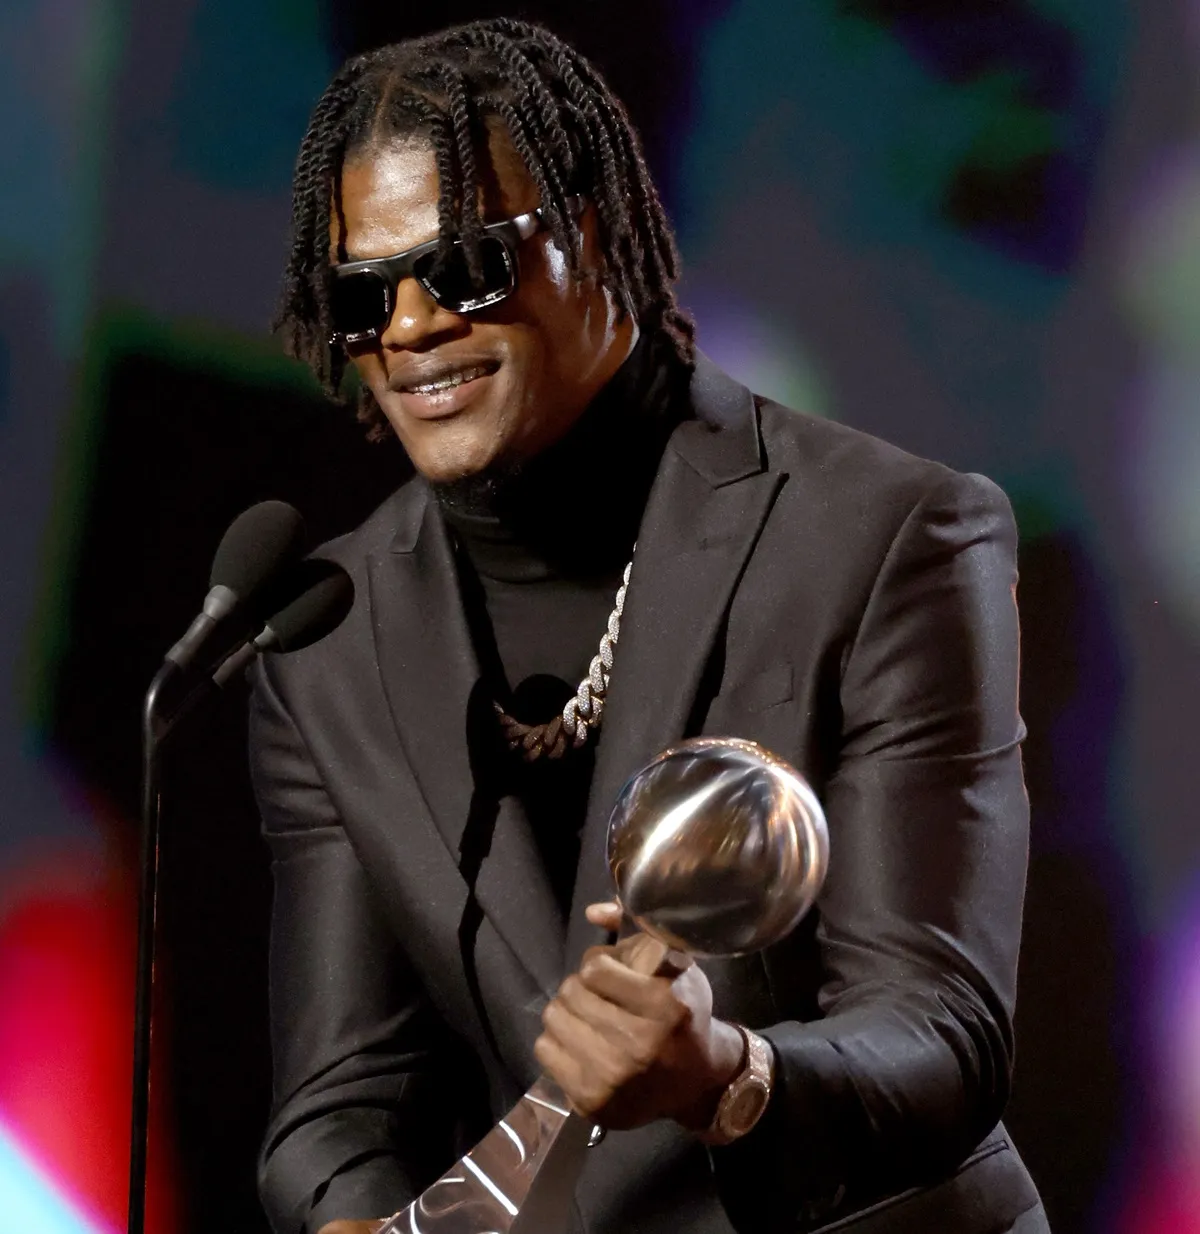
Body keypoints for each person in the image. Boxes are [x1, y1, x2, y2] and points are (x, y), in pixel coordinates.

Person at [250, 18, 1048, 1234]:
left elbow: (942, 1029)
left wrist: (731, 1075)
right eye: (365, 295)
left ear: (597, 235)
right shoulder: (329, 636)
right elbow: (340, 1096)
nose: (410, 328)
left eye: (466, 265)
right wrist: (358, 1217)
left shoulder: (889, 535)